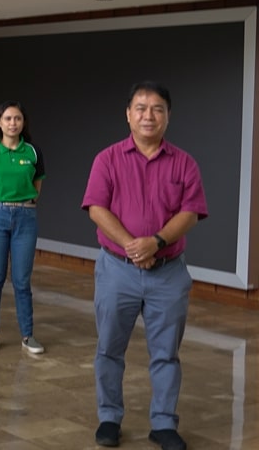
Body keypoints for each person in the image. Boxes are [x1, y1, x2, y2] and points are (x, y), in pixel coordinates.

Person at [82, 81, 207, 450]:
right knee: (109, 348)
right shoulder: (107, 159)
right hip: (116, 269)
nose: (148, 115)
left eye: (156, 109)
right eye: (140, 108)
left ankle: (164, 423)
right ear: (128, 114)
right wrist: (133, 246)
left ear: (168, 116)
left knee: (166, 352)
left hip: (167, 272)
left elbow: (191, 212)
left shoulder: (184, 162)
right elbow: (96, 208)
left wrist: (157, 242)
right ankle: (109, 418)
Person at [0, 101, 45, 355]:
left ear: (23, 122)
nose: (13, 123)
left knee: (22, 281)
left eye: (17, 119)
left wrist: (27, 203)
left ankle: (28, 335)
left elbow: (38, 183)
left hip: (26, 217)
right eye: (8, 119)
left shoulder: (33, 152)